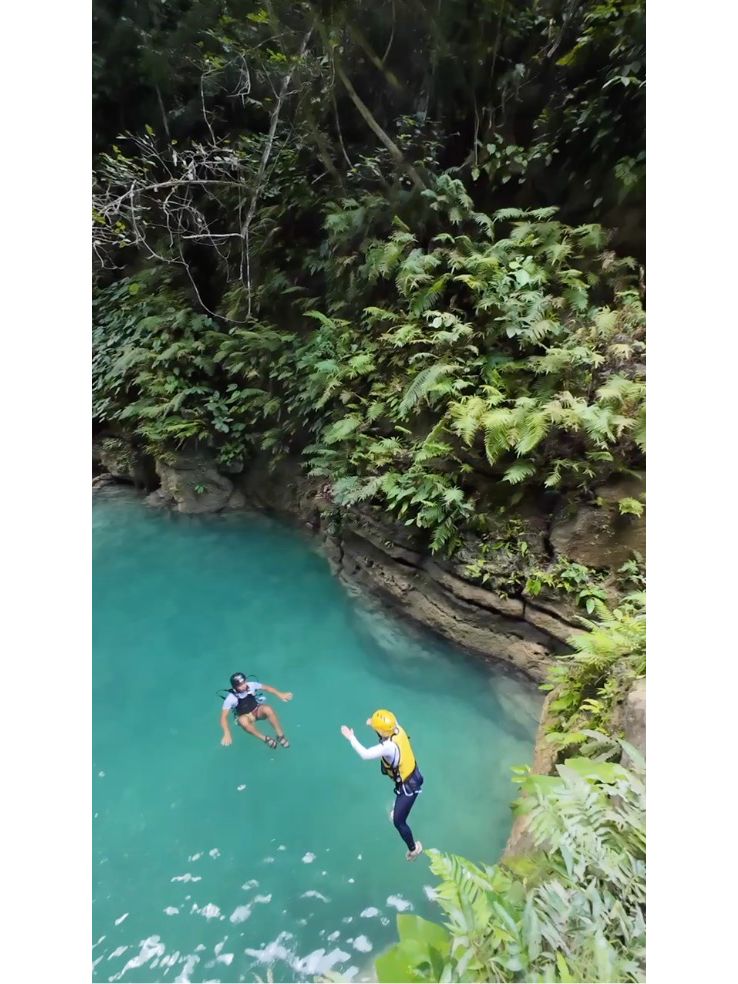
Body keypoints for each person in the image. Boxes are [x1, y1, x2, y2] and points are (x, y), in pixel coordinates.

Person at [340, 709, 424, 861]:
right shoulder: (398, 729)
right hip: (415, 774)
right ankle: (399, 808)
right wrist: (372, 723)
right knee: (397, 809)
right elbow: (387, 726)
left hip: (408, 787)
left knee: (398, 822)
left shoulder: (388, 747)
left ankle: (414, 849)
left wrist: (351, 737)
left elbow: (365, 754)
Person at [220, 672, 293, 749]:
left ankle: (280, 736)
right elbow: (223, 717)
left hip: (257, 711)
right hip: (244, 717)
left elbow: (267, 688)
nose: (243, 686)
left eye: (244, 682)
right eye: (240, 685)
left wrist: (280, 694)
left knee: (268, 709)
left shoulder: (251, 685)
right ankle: (265, 739)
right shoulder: (230, 698)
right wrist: (226, 732)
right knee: (243, 721)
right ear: (234, 687)